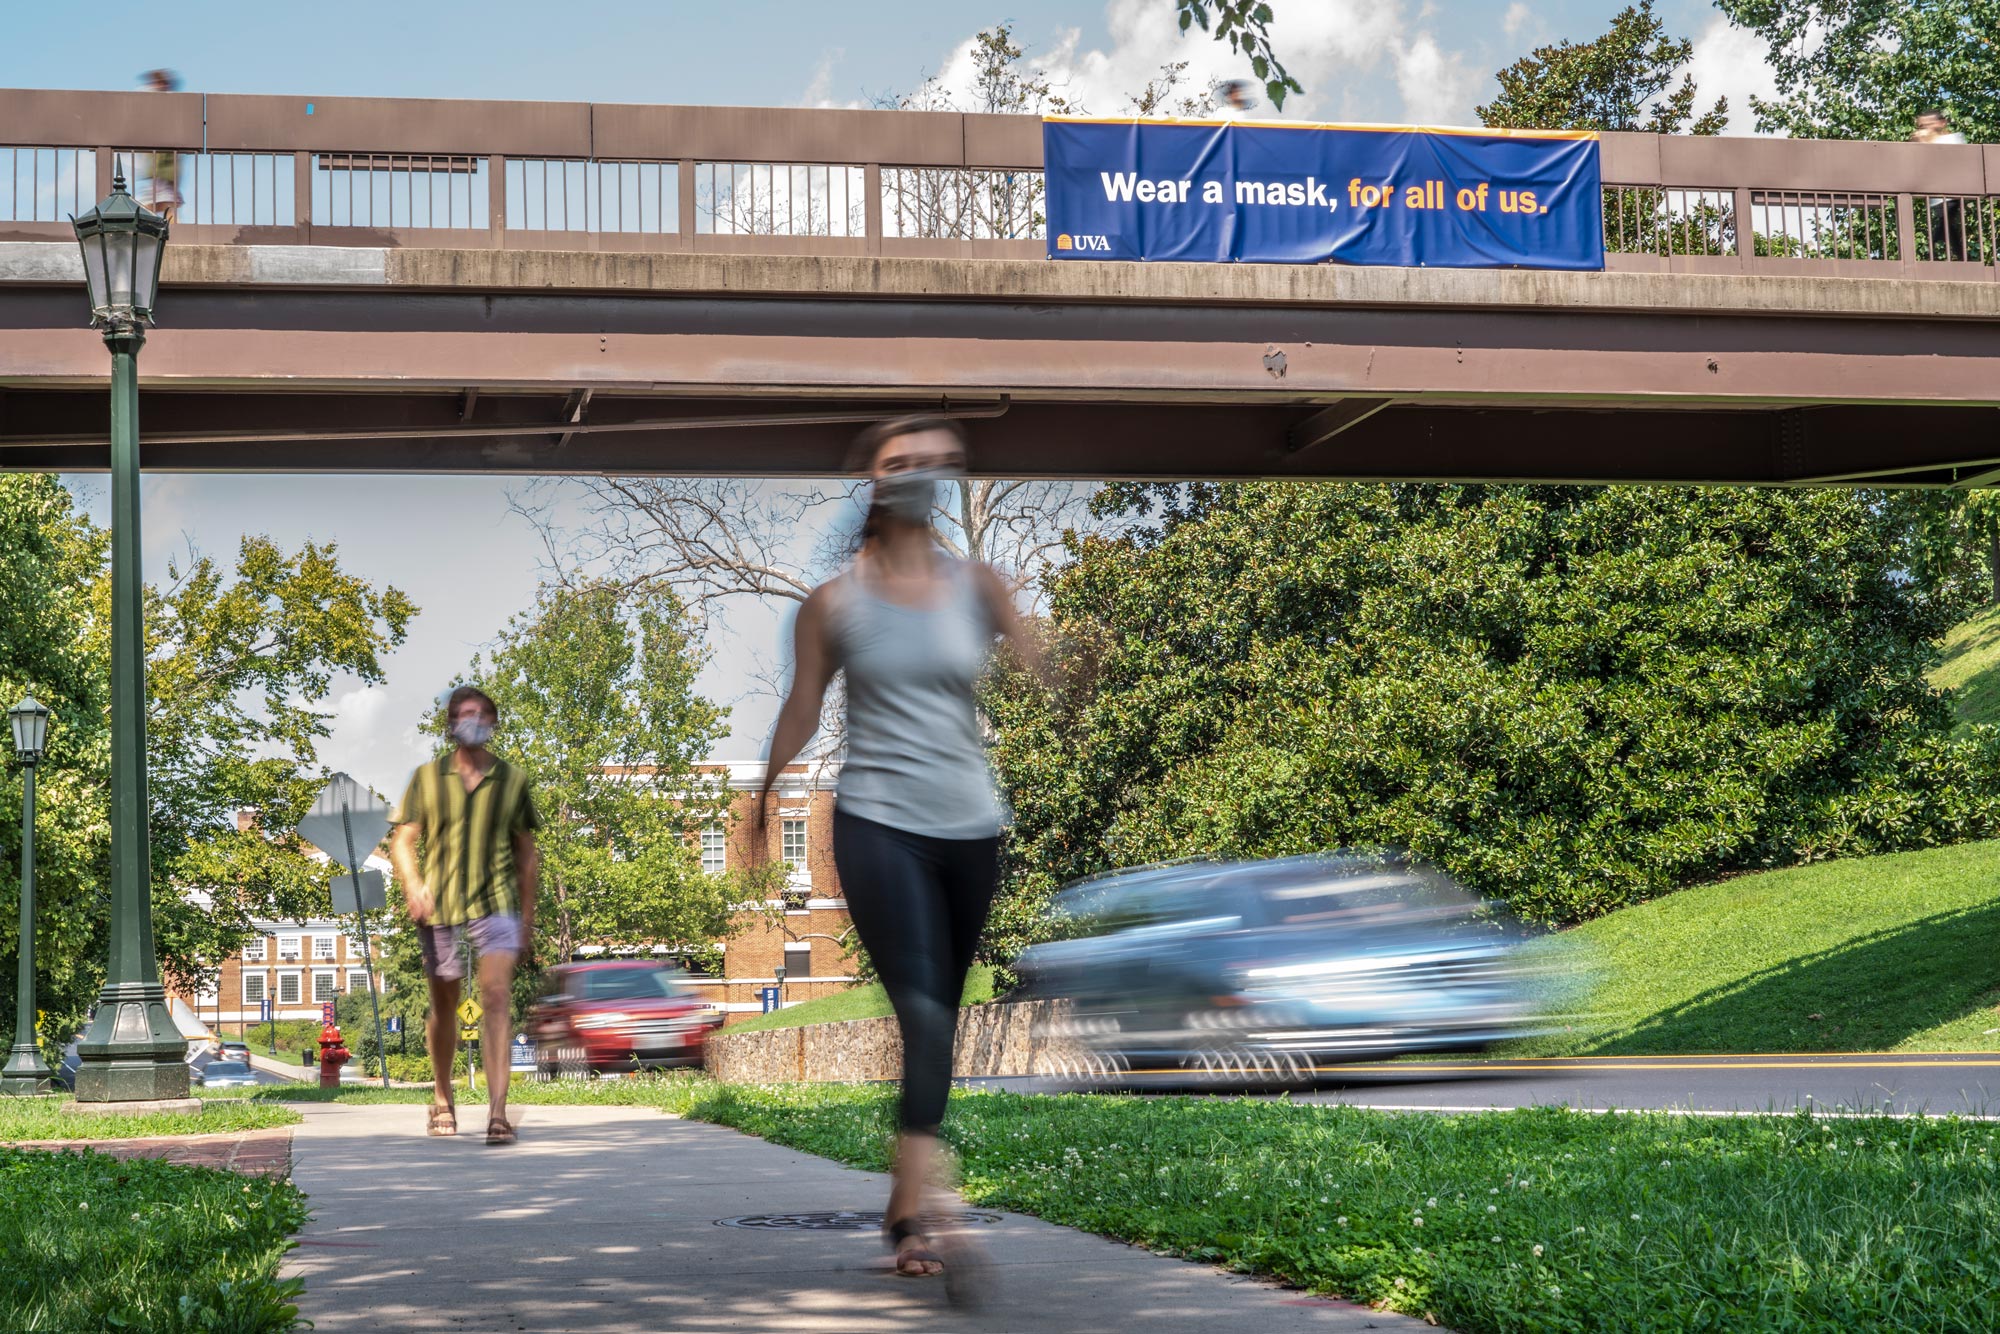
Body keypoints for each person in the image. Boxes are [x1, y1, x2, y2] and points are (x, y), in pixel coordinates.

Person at [760, 415, 1046, 1289]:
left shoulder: (980, 587)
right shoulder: (834, 604)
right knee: (923, 1016)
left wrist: (1065, 660)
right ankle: (927, 1215)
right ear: (874, 481)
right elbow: (805, 709)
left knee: (941, 1024)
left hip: (971, 828)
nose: (921, 473)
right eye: (903, 462)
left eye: (936, 462)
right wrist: (762, 799)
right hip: (878, 823)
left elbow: (1042, 664)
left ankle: (902, 1195)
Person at [388, 685, 541, 1145]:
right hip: (440, 906)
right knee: (446, 1004)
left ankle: (498, 1112)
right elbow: (402, 840)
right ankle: (442, 1097)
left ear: (493, 722)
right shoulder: (426, 778)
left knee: (495, 996)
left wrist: (528, 918)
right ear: (451, 724)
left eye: (481, 713)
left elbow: (526, 855)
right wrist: (413, 885)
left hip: (497, 904)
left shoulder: (512, 780)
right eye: (463, 714)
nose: (472, 720)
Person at [1912, 108, 1970, 260]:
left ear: (1941, 123)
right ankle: (1962, 258)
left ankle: (1930, 254)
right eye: (1923, 126)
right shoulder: (1926, 142)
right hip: (1936, 195)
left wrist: (1925, 142)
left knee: (1945, 225)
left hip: (1952, 193)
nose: (1927, 128)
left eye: (1930, 124)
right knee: (1948, 227)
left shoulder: (1952, 139)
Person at [138, 70, 183, 221]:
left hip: (162, 170)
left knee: (155, 204)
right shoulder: (168, 105)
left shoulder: (162, 105)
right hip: (162, 170)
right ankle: (172, 234)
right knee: (165, 204)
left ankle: (140, 232)